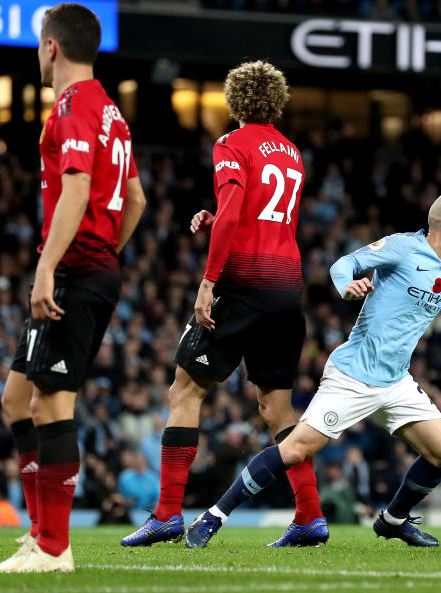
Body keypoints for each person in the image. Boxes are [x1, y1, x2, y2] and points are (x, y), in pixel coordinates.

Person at [184, 191, 441, 548]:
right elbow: (345, 263)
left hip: (395, 382)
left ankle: (393, 520)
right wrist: (347, 285)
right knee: (294, 450)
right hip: (353, 376)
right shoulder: (401, 247)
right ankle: (212, 517)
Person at [120, 60, 327, 548]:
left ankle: (168, 514)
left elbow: (238, 211)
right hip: (285, 288)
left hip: (241, 287)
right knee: (278, 409)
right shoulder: (293, 152)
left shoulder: (231, 144)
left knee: (184, 393)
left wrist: (208, 281)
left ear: (235, 102)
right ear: (277, 101)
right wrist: (218, 217)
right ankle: (309, 516)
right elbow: (264, 215)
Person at [0, 3, 147, 573]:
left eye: (37, 45)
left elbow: (77, 191)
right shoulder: (111, 112)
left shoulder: (75, 106)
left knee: (53, 402)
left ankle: (54, 548)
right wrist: (105, 253)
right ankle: (40, 535)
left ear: (52, 47)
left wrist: (52, 267)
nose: (37, 54)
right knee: (16, 399)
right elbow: (137, 201)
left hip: (74, 272)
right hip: (89, 267)